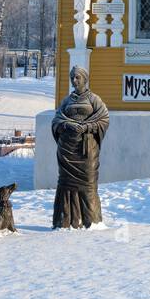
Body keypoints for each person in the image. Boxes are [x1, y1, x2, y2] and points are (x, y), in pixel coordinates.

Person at [51, 65, 110, 229]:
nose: (74, 81)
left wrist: (86, 127)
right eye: (72, 78)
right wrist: (68, 124)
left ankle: (90, 220)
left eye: (77, 77)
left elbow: (104, 119)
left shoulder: (94, 99)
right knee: (65, 184)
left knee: (88, 183)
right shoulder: (67, 101)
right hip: (67, 150)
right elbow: (56, 120)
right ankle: (66, 220)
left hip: (87, 150)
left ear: (85, 79)